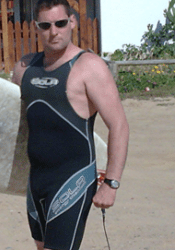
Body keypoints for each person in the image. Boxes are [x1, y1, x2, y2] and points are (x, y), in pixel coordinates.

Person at [11, 0, 129, 249]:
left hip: (72, 180)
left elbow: (118, 125)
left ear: (72, 22)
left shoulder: (90, 67)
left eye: (60, 23)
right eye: (45, 25)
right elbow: (11, 127)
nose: (53, 32)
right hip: (36, 182)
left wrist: (111, 183)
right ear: (36, 27)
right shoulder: (24, 69)